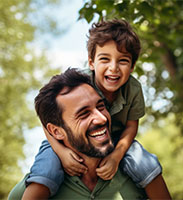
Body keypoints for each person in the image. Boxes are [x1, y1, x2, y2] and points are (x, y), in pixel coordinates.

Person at [13, 19, 172, 199]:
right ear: (91, 62)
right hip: (62, 141)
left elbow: (131, 127)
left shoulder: (133, 89)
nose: (113, 68)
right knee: (46, 171)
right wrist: (62, 152)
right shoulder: (80, 84)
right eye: (105, 59)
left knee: (146, 165)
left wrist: (116, 156)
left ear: (133, 66)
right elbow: (47, 119)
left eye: (123, 61)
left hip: (117, 140)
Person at [8, 68, 147, 199]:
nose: (102, 118)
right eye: (83, 114)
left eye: (101, 106)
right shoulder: (30, 191)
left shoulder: (139, 178)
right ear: (56, 132)